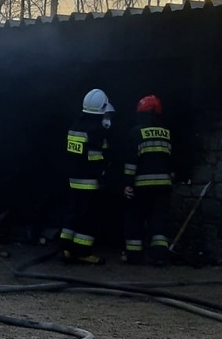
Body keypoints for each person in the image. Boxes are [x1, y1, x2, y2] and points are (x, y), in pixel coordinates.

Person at [60, 88, 113, 264]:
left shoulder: (75, 126)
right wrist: (104, 174)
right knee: (88, 217)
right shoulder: (96, 130)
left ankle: (66, 248)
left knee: (73, 213)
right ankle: (83, 251)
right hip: (90, 182)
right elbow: (96, 158)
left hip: (74, 180)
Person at [123, 95, 174, 265]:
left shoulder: (135, 132)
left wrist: (128, 183)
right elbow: (171, 160)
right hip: (163, 187)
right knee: (158, 221)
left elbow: (131, 161)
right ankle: (158, 255)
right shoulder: (167, 133)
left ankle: (134, 255)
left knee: (135, 219)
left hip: (141, 186)